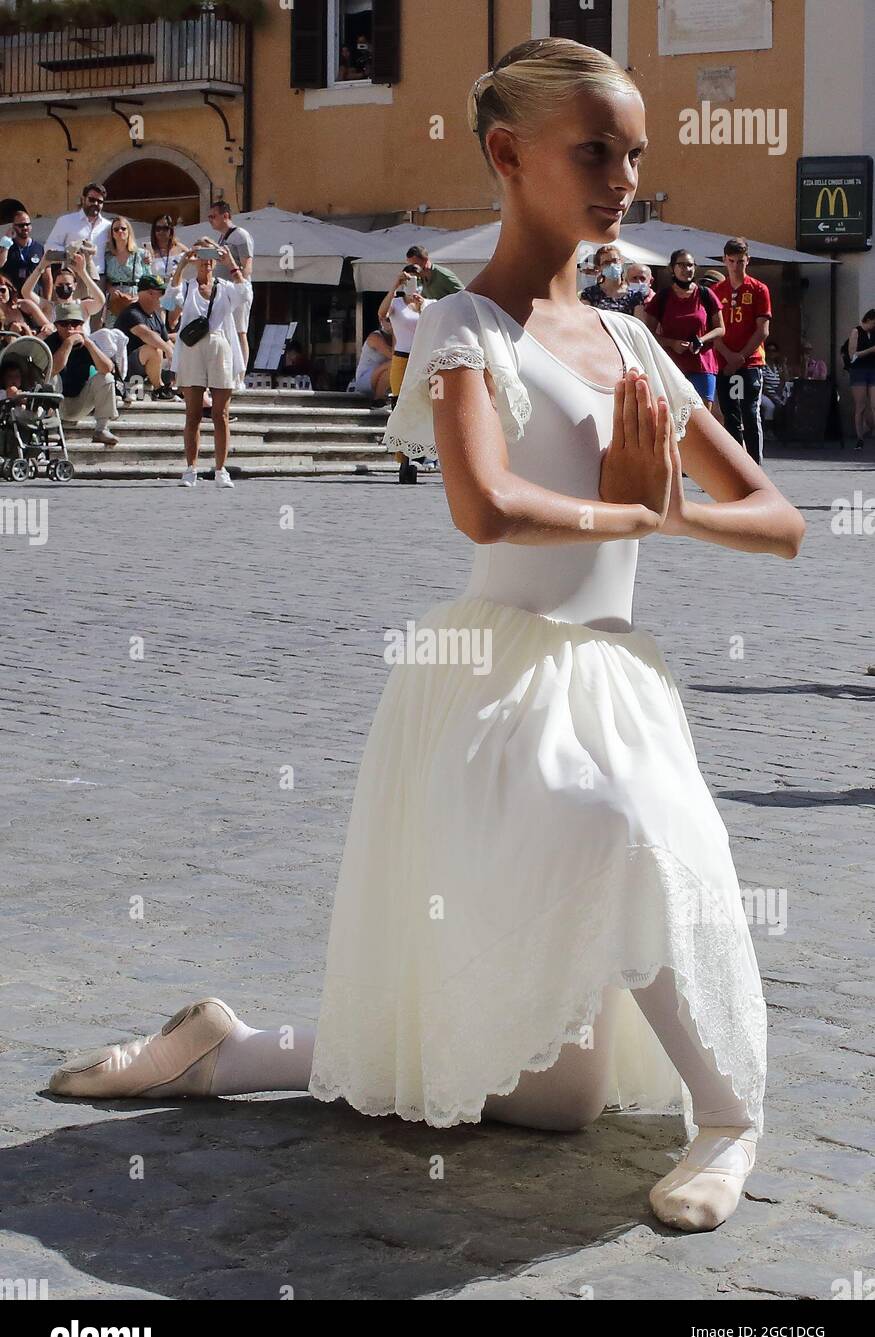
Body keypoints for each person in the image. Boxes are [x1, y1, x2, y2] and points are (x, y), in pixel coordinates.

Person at [47, 38, 806, 1238]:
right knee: (630, 826)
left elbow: (778, 521)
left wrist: (664, 511)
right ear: (507, 155)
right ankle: (727, 1118)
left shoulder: (632, 344)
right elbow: (483, 505)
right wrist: (627, 506)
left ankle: (230, 1048)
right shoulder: (460, 327)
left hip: (611, 671)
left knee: (541, 1102)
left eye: (635, 154)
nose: (623, 178)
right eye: (594, 151)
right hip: (500, 678)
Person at [163, 243, 252, 488]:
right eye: (202, 257)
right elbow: (169, 301)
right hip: (193, 349)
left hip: (220, 345)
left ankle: (221, 470)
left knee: (220, 413)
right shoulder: (189, 287)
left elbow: (246, 294)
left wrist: (231, 264)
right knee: (192, 413)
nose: (207, 261)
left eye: (211, 257)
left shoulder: (225, 288)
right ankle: (191, 468)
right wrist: (182, 263)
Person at [712, 238, 771, 464]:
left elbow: (762, 330)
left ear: (748, 261)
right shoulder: (717, 290)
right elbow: (713, 328)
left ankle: (754, 462)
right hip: (724, 361)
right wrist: (727, 355)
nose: (736, 266)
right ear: (725, 261)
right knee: (730, 413)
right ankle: (737, 463)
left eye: (741, 261)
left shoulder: (758, 289)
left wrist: (741, 356)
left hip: (750, 362)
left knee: (749, 410)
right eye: (732, 261)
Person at [642, 249, 725, 410]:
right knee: (673, 412)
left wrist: (701, 340)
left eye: (690, 265)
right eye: (681, 265)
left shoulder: (705, 294)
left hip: (702, 364)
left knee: (702, 414)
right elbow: (648, 333)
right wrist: (671, 343)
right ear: (672, 268)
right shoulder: (663, 297)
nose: (687, 269)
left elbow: (720, 329)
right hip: (671, 365)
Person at [377, 266, 436, 482]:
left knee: (426, 404)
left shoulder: (430, 305)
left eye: (417, 279)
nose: (414, 284)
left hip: (423, 358)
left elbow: (434, 326)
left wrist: (423, 307)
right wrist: (395, 286)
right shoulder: (397, 304)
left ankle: (427, 452)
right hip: (402, 358)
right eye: (410, 279)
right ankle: (403, 458)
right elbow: (381, 314)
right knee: (399, 404)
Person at [44, 301, 119, 445]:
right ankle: (51, 427)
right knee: (51, 378)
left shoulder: (87, 343)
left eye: (75, 323)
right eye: (65, 324)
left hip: (80, 402)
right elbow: (51, 370)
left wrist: (89, 343)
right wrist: (68, 344)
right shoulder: (50, 343)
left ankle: (101, 429)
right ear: (56, 325)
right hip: (57, 405)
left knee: (106, 378)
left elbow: (107, 368)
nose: (70, 328)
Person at [205, 200, 254, 372]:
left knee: (240, 331)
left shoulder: (240, 235)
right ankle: (228, 370)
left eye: (213, 216)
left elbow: (247, 264)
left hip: (237, 289)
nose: (210, 219)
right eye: (209, 216)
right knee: (227, 330)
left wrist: (241, 287)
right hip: (224, 290)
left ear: (225, 216)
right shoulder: (223, 237)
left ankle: (240, 375)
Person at [114, 274, 177, 398]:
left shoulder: (155, 316)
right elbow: (146, 334)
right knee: (154, 349)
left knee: (181, 354)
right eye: (161, 292)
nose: (163, 296)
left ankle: (182, 390)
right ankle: (159, 389)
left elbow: (166, 341)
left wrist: (177, 356)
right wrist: (168, 350)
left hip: (145, 368)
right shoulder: (131, 313)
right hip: (124, 366)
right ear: (150, 293)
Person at [45, 183, 112, 275]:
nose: (95, 204)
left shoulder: (108, 226)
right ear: (83, 199)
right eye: (91, 200)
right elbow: (49, 247)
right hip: (72, 276)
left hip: (98, 278)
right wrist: (71, 253)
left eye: (99, 201)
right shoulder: (65, 221)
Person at [102, 217, 151, 328]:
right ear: (112, 234)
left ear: (129, 231)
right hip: (115, 300)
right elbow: (104, 278)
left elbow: (148, 279)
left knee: (136, 332)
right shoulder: (107, 256)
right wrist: (111, 289)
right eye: (116, 229)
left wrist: (140, 297)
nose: (120, 231)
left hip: (135, 297)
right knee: (113, 333)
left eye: (123, 228)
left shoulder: (141, 254)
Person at [581, 245, 647, 314]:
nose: (612, 265)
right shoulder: (590, 293)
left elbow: (639, 322)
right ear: (599, 267)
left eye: (614, 260)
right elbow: (584, 318)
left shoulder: (634, 295)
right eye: (606, 263)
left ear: (621, 262)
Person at [0, 209, 51, 299]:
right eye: (21, 225)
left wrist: (47, 302)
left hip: (34, 299)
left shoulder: (39, 248)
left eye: (27, 224)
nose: (25, 227)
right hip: (12, 301)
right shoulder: (7, 246)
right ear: (13, 226)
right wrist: (7, 240)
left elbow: (47, 278)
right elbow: (1, 263)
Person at [846, 309, 875, 449]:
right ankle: (859, 437)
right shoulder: (856, 332)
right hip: (859, 370)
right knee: (861, 405)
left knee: (874, 404)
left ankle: (871, 428)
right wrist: (871, 350)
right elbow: (853, 355)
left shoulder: (874, 333)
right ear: (869, 319)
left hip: (873, 369)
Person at [352, 323, 393, 400]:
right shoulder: (375, 337)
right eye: (388, 320)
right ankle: (379, 400)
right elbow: (395, 356)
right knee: (394, 365)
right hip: (364, 380)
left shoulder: (396, 339)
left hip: (381, 378)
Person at [760, 340, 789, 437]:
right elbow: (763, 384)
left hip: (777, 393)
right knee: (770, 406)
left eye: (774, 351)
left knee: (785, 404)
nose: (771, 353)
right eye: (769, 351)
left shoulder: (777, 366)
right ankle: (768, 430)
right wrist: (773, 397)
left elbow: (784, 379)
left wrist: (784, 364)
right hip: (765, 393)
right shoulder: (763, 366)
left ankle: (781, 430)